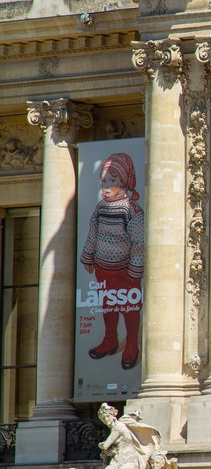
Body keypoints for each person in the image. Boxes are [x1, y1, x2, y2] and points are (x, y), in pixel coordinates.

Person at [80, 152, 145, 370]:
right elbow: (92, 233)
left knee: (129, 307)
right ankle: (110, 339)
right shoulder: (100, 207)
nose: (107, 185)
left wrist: (135, 270)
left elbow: (139, 242)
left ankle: (132, 345)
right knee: (107, 305)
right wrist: (88, 256)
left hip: (125, 271)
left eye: (113, 180)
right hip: (103, 268)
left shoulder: (131, 209)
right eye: (104, 180)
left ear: (125, 181)